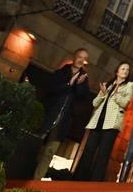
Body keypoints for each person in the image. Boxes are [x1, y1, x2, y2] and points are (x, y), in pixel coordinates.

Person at [35, 48, 92, 179]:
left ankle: (35, 181)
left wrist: (78, 85)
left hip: (63, 122)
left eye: (84, 59)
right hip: (48, 116)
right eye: (79, 56)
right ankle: (23, 177)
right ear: (74, 56)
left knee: (49, 152)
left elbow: (83, 98)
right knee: (36, 148)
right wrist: (69, 84)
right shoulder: (62, 72)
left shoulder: (84, 79)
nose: (81, 60)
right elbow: (51, 89)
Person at [74, 61, 133, 181]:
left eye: (127, 70)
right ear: (117, 71)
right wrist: (102, 93)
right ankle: (78, 180)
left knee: (103, 155)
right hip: (98, 121)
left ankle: (95, 183)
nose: (125, 71)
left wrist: (117, 94)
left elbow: (125, 103)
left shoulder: (129, 85)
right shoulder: (109, 84)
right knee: (88, 151)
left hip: (111, 124)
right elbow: (94, 103)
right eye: (123, 69)